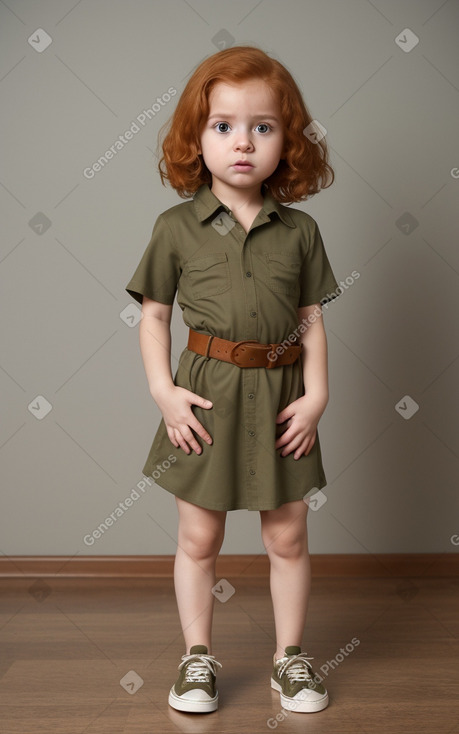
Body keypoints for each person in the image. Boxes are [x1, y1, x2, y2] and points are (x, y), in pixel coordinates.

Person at [125, 45, 339, 715]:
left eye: (262, 126)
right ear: (196, 137)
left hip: (280, 400)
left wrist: (317, 396)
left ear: (288, 140)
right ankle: (195, 660)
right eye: (222, 126)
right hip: (205, 397)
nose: (241, 142)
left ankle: (290, 660)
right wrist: (163, 391)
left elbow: (309, 320)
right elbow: (154, 316)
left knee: (287, 536)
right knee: (198, 538)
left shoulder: (299, 231)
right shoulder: (174, 228)